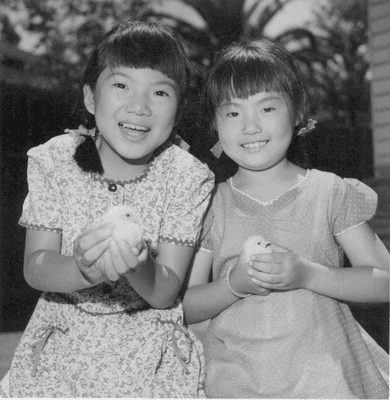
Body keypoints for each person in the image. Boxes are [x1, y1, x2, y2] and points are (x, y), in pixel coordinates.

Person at [0, 19, 214, 398]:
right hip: (59, 361)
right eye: (121, 85)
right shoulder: (55, 161)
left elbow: (165, 291)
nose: (139, 106)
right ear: (89, 97)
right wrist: (85, 268)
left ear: (179, 111)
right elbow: (36, 266)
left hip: (149, 363)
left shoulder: (187, 177)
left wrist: (137, 264)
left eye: (160, 93)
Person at [182, 39, 389, 399]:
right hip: (235, 383)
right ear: (215, 124)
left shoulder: (330, 193)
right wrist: (234, 284)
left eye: (266, 108)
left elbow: (384, 281)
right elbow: (184, 304)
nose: (249, 126)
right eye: (232, 113)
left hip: (325, 380)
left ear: (297, 111)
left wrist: (308, 274)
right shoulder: (208, 205)